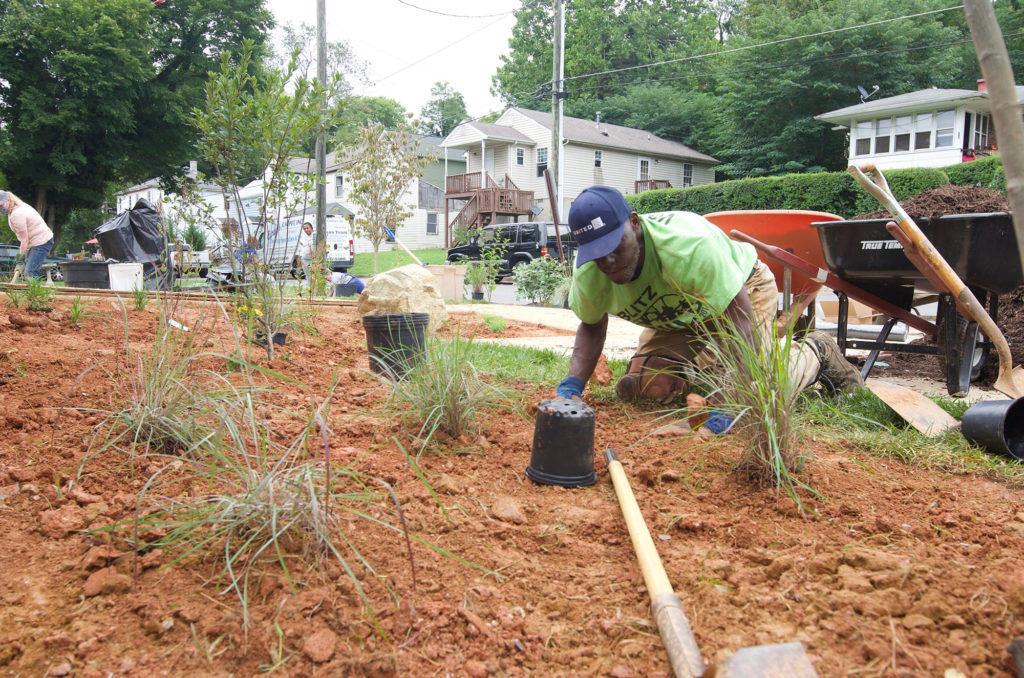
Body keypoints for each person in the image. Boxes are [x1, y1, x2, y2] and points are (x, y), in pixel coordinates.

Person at [555, 185, 863, 427]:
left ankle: (815, 351)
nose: (607, 261)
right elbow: (593, 327)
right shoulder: (589, 273)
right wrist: (571, 386)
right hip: (681, 317)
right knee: (648, 385)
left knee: (754, 391)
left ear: (634, 223)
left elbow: (740, 319)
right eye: (596, 253)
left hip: (742, 292)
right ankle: (704, 379)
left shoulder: (688, 246)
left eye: (613, 246)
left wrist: (731, 398)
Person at [0, 190, 54, 280]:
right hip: (34, 242)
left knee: (30, 273)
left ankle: (35, 293)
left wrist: (20, 259)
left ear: (8, 200)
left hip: (41, 241)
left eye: (1, 205)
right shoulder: (16, 207)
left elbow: (24, 240)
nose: (1, 208)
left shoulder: (17, 214)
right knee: (28, 271)